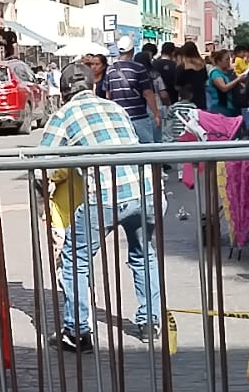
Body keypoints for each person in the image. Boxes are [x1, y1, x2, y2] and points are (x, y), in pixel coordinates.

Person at [39, 63, 161, 348]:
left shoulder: (63, 115)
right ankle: (150, 321)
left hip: (105, 196)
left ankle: (78, 330)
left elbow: (41, 163)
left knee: (74, 258)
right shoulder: (115, 107)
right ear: (93, 86)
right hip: (145, 190)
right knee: (144, 254)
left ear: (64, 92)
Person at [99, 35, 162, 144]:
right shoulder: (139, 68)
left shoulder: (110, 70)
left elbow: (108, 96)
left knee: (125, 152)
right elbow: (148, 93)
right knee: (146, 150)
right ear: (132, 50)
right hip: (139, 117)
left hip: (120, 119)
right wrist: (156, 114)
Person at [206, 49, 242, 117]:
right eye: (227, 59)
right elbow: (223, 88)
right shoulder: (215, 73)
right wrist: (238, 80)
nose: (229, 62)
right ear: (219, 61)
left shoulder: (226, 72)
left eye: (229, 59)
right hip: (220, 107)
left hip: (230, 106)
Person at [175, 42, 208, 112]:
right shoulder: (202, 66)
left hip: (186, 102)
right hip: (201, 100)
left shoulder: (181, 68)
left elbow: (177, 86)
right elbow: (205, 81)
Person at [153, 42, 181, 108]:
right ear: (173, 52)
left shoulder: (153, 64)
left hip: (157, 100)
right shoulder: (175, 66)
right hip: (172, 98)